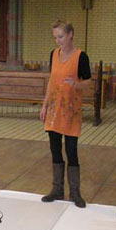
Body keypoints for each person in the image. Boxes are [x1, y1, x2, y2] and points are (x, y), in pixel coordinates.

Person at [40, 20, 92, 208]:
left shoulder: (81, 57)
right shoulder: (53, 54)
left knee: (71, 151)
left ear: (71, 34)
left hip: (71, 110)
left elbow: (89, 82)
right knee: (55, 149)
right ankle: (57, 189)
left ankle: (75, 193)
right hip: (54, 108)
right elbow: (51, 82)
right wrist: (45, 105)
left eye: (60, 36)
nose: (58, 40)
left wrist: (77, 84)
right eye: (55, 37)